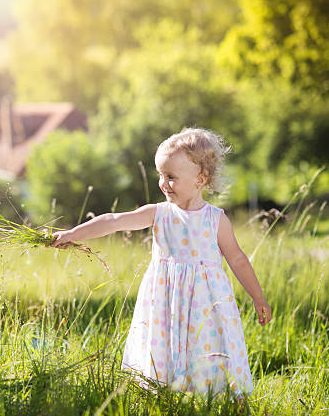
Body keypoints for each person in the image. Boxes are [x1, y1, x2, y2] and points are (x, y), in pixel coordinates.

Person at [51, 128, 271, 397]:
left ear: (200, 179)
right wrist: (72, 234)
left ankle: (220, 400)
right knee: (162, 350)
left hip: (205, 305)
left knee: (209, 350)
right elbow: (113, 221)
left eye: (171, 177)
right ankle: (163, 397)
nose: (163, 183)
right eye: (160, 175)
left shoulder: (215, 220)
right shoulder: (159, 214)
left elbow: (237, 259)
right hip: (164, 301)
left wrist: (258, 297)